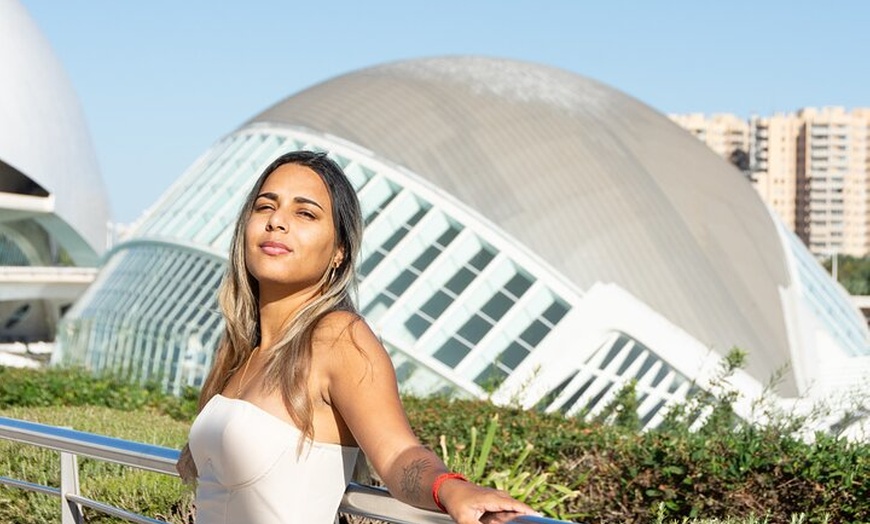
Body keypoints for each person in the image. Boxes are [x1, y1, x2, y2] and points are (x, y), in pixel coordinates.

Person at [176, 150, 539, 524]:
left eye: (305, 213)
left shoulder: (337, 338)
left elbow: (398, 454)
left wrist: (450, 488)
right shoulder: (241, 349)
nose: (276, 222)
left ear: (339, 252)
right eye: (265, 206)